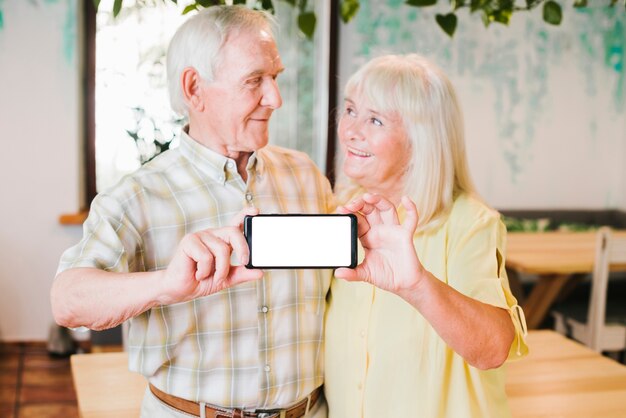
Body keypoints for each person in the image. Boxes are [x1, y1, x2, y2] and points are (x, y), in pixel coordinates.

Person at [51, 6, 333, 418]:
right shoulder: (137, 195)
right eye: (255, 80)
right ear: (194, 88)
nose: (276, 98)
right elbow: (67, 301)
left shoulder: (305, 176)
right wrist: (166, 284)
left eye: (276, 78)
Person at [324, 54, 528, 418]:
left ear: (421, 140)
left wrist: (416, 285)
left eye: (375, 120)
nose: (351, 130)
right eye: (351, 110)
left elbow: (493, 349)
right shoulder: (337, 211)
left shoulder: (470, 222)